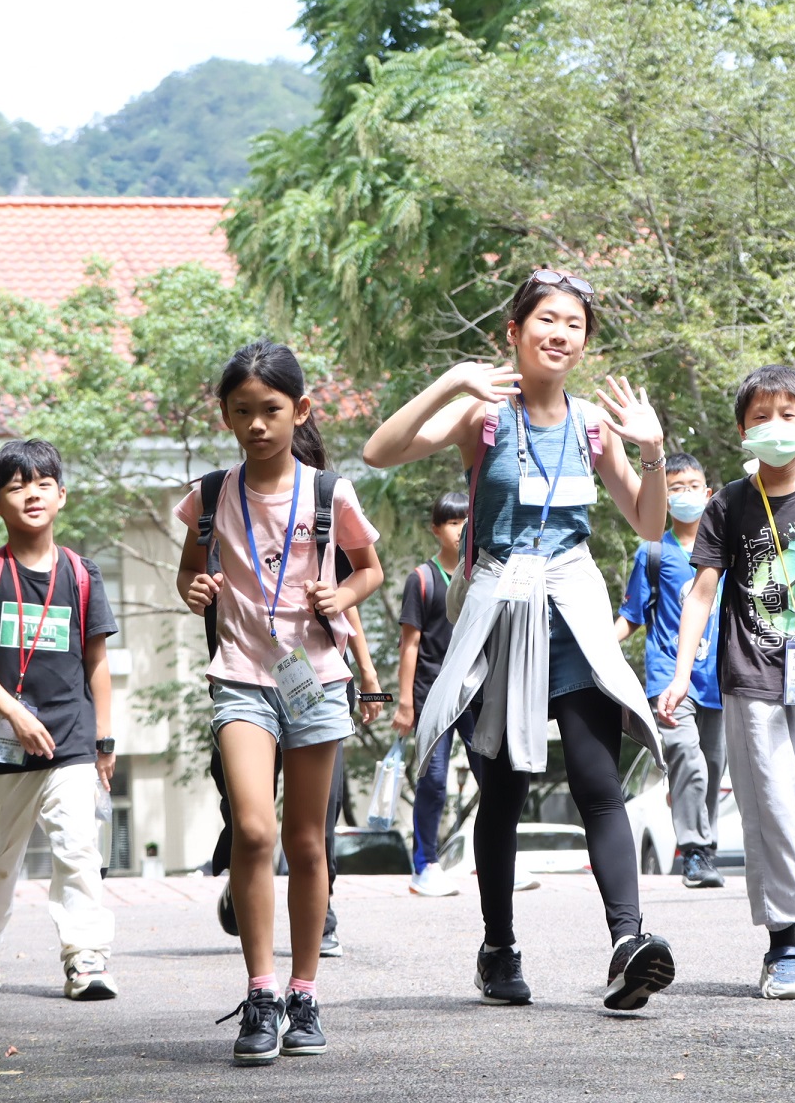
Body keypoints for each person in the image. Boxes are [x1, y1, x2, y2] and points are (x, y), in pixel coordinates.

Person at [363, 268, 677, 1012]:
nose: (560, 334)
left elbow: (650, 523)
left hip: (571, 611)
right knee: (502, 792)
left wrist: (654, 450)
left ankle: (629, 944)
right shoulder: (485, 415)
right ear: (514, 331)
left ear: (585, 342)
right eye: (546, 320)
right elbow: (379, 451)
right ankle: (498, 949)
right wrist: (452, 383)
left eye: (574, 324)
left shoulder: (594, 427)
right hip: (499, 612)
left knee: (599, 782)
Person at [176, 341, 386, 1065]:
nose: (258, 424)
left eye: (271, 409)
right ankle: (260, 992)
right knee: (252, 828)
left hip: (316, 679)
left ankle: (305, 993)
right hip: (240, 676)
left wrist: (342, 592)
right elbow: (189, 570)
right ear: (226, 416)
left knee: (306, 841)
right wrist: (195, 589)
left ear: (300, 411)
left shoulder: (331, 493)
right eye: (243, 411)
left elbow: (369, 569)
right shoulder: (210, 496)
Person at [659, 365, 795, 1000]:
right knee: (775, 814)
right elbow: (701, 594)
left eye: (787, 415)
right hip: (751, 680)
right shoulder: (728, 503)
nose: (774, 426)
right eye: (760, 417)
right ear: (742, 431)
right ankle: (783, 943)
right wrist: (681, 672)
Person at [0, 439, 120, 1001]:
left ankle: (85, 956)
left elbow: (97, 662)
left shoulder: (82, 574)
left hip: (70, 740)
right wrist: (14, 713)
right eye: (17, 487)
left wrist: (104, 739)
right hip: (1, 746)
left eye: (43, 484)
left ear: (61, 495)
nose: (32, 495)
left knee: (78, 846)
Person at [212, 603, 385, 954]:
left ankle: (321, 917)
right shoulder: (231, 559)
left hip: (316, 675)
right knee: (245, 817)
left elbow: (347, 595)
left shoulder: (325, 559)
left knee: (318, 820)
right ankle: (242, 874)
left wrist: (368, 672)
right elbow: (194, 581)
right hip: (246, 674)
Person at [613, 453, 726, 889]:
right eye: (675, 488)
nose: (685, 494)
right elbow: (631, 617)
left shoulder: (726, 548)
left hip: (719, 680)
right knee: (688, 758)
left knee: (712, 767)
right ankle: (694, 850)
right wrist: (595, 647)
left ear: (708, 493)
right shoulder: (653, 552)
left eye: (692, 486)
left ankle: (704, 851)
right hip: (668, 679)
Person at [394, 490, 483, 897]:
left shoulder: (482, 574)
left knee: (494, 776)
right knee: (433, 781)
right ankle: (425, 865)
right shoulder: (422, 579)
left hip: (476, 693)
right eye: (451, 521)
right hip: (431, 695)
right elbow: (409, 644)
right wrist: (405, 702)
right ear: (435, 529)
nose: (460, 528)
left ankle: (497, 857)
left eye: (466, 519)